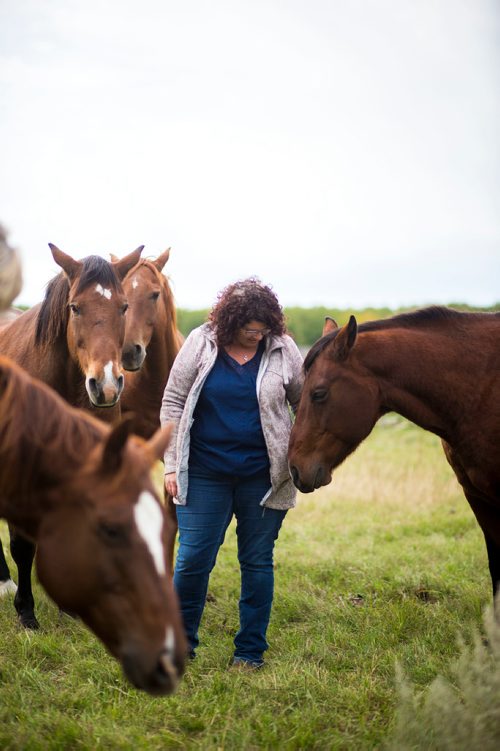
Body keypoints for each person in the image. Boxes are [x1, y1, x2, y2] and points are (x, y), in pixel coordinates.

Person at [160, 277, 303, 669]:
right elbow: (172, 402)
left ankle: (249, 651)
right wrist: (171, 463)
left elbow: (305, 404)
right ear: (229, 323)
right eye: (248, 329)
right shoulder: (201, 343)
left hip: (263, 476)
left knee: (257, 561)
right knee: (191, 561)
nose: (256, 336)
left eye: (262, 329)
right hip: (204, 471)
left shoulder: (283, 348)